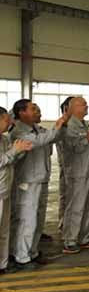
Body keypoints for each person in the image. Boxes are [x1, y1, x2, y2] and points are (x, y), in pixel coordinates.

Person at [10, 99, 65, 268]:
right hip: (27, 181)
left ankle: (32, 252)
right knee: (27, 219)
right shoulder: (19, 131)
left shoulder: (38, 129)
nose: (36, 111)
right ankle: (21, 256)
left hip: (40, 178)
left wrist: (59, 128)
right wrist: (59, 124)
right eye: (33, 109)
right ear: (22, 113)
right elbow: (40, 141)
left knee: (38, 218)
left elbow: (49, 139)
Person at [63, 97, 89, 254]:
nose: (87, 106)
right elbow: (76, 147)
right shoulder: (70, 126)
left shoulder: (85, 124)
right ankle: (70, 239)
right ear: (73, 107)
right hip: (78, 172)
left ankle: (83, 236)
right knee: (76, 207)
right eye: (83, 104)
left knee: (87, 206)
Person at [0, 107, 32, 275]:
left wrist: (20, 152)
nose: (10, 122)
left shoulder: (4, 139)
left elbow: (9, 160)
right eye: (6, 119)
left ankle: (3, 264)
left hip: (5, 189)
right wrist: (14, 151)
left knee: (4, 231)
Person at [31, 104, 53, 243]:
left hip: (42, 175)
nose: (39, 114)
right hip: (30, 179)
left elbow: (49, 150)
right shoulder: (19, 132)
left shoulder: (41, 130)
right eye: (35, 110)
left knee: (39, 212)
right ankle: (22, 253)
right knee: (28, 216)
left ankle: (35, 242)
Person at [56, 96, 74, 232]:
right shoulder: (62, 125)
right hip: (67, 165)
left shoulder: (77, 123)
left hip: (75, 165)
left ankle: (68, 220)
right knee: (65, 194)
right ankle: (63, 220)